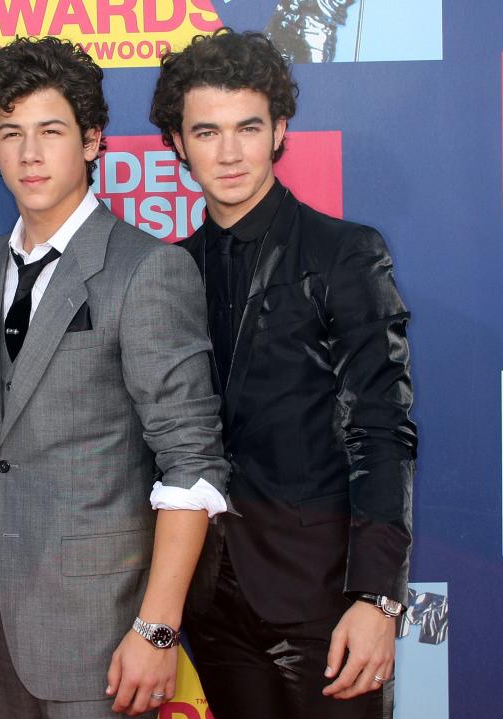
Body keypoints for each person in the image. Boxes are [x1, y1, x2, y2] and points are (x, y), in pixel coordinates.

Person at [150, 28, 417, 719]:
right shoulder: (168, 270)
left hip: (325, 601)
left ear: (279, 131)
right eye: (207, 131)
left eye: (248, 127)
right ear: (178, 144)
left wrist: (377, 596)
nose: (229, 151)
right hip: (212, 602)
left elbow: (382, 431)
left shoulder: (344, 254)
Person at [0, 36, 228, 718]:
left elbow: (192, 465)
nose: (29, 153)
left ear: (91, 140)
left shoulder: (147, 268)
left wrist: (156, 627)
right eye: (10, 134)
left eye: (50, 131)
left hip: (102, 633)